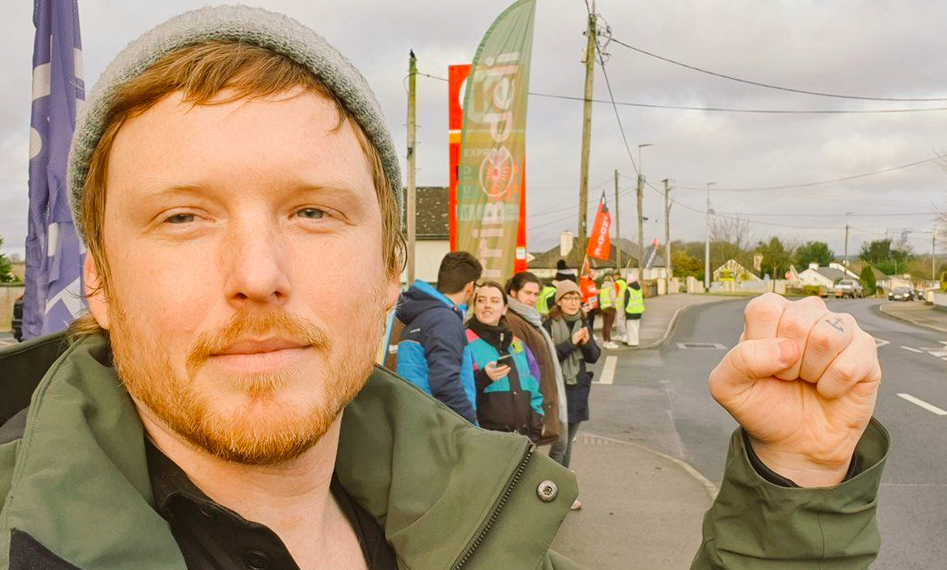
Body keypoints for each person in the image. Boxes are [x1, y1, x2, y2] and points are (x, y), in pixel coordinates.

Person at [0, 6, 891, 569]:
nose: (257, 277)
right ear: (100, 283)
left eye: (313, 213)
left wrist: (795, 488)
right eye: (183, 218)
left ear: (392, 270)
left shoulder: (481, 521)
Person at [395, 251, 481, 424]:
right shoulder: (445, 321)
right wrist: (472, 428)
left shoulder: (422, 316)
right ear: (470, 287)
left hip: (417, 419)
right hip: (438, 426)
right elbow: (446, 383)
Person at [543, 281, 601, 510]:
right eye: (568, 298)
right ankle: (548, 487)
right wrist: (571, 342)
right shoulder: (548, 325)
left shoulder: (583, 323)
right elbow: (548, 358)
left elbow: (594, 356)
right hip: (557, 390)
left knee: (567, 446)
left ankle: (560, 491)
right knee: (560, 443)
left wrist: (586, 343)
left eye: (576, 298)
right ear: (559, 301)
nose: (572, 303)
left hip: (578, 387)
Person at [465, 282, 544, 442]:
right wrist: (484, 377)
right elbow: (456, 390)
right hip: (485, 441)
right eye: (481, 300)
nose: (487, 305)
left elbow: (535, 385)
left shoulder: (517, 344)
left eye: (494, 301)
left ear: (504, 309)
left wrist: (536, 424)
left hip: (522, 439)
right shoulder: (464, 341)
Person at [505, 271, 568, 451]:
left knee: (555, 446)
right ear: (514, 293)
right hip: (531, 398)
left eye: (535, 294)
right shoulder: (513, 320)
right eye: (527, 293)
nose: (532, 298)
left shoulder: (529, 318)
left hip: (540, 395)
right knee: (545, 450)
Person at [598, 273, 619, 349]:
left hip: (603, 308)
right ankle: (609, 341)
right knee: (609, 326)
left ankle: (605, 341)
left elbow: (600, 299)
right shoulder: (611, 288)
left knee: (604, 325)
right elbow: (613, 299)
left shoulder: (603, 289)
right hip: (610, 308)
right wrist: (614, 306)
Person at [624, 276, 646, 347]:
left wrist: (625, 310)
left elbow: (626, 301)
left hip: (630, 311)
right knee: (636, 326)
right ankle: (635, 340)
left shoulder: (628, 289)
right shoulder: (639, 289)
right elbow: (642, 297)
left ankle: (632, 342)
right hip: (639, 310)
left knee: (631, 327)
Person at [614, 273, 628, 338]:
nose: (614, 277)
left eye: (615, 276)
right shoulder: (624, 283)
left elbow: (615, 293)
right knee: (622, 318)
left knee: (619, 319)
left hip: (618, 302)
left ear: (617, 276)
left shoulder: (617, 283)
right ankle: (621, 334)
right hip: (624, 302)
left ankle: (622, 335)